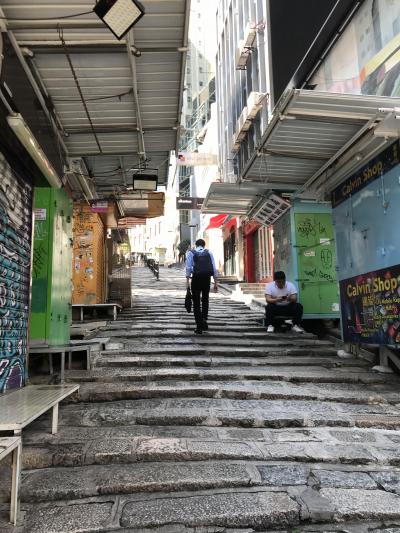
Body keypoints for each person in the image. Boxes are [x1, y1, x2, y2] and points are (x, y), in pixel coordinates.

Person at [186, 239, 218, 334]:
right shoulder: (209, 253)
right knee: (205, 300)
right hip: (206, 279)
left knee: (196, 302)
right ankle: (204, 320)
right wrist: (216, 282)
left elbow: (188, 268)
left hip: (196, 278)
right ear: (204, 245)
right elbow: (214, 268)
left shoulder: (191, 253)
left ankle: (199, 326)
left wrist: (187, 282)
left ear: (196, 245)